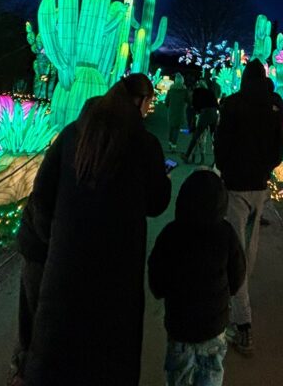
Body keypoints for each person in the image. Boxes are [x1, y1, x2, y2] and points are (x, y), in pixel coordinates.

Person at [15, 74, 171, 385]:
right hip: (117, 272)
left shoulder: (74, 133)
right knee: (107, 356)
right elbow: (157, 203)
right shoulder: (144, 143)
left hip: (66, 267)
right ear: (141, 102)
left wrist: (57, 241)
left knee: (58, 353)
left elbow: (42, 193)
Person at [213, 59, 283, 355]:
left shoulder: (232, 103)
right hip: (259, 187)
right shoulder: (272, 104)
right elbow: (281, 142)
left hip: (236, 186)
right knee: (248, 247)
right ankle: (239, 298)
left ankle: (242, 322)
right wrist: (268, 166)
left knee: (235, 248)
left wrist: (225, 168)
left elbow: (221, 142)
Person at [148, 170, 247, 386]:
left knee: (179, 374)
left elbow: (157, 274)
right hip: (214, 325)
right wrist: (226, 293)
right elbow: (238, 273)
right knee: (211, 373)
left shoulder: (171, 233)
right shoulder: (226, 234)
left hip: (179, 325)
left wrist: (161, 291)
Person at [184, 75, 219, 164]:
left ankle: (187, 155)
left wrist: (196, 115)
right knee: (214, 138)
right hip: (214, 114)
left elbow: (195, 106)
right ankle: (217, 160)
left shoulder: (197, 92)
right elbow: (216, 104)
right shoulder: (210, 92)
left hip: (205, 114)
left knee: (196, 136)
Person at [164, 73, 190, 153]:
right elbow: (188, 101)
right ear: (182, 81)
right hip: (180, 112)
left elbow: (166, 102)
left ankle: (170, 143)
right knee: (176, 129)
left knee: (171, 128)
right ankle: (174, 146)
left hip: (171, 112)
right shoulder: (184, 91)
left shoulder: (171, 90)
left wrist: (169, 105)